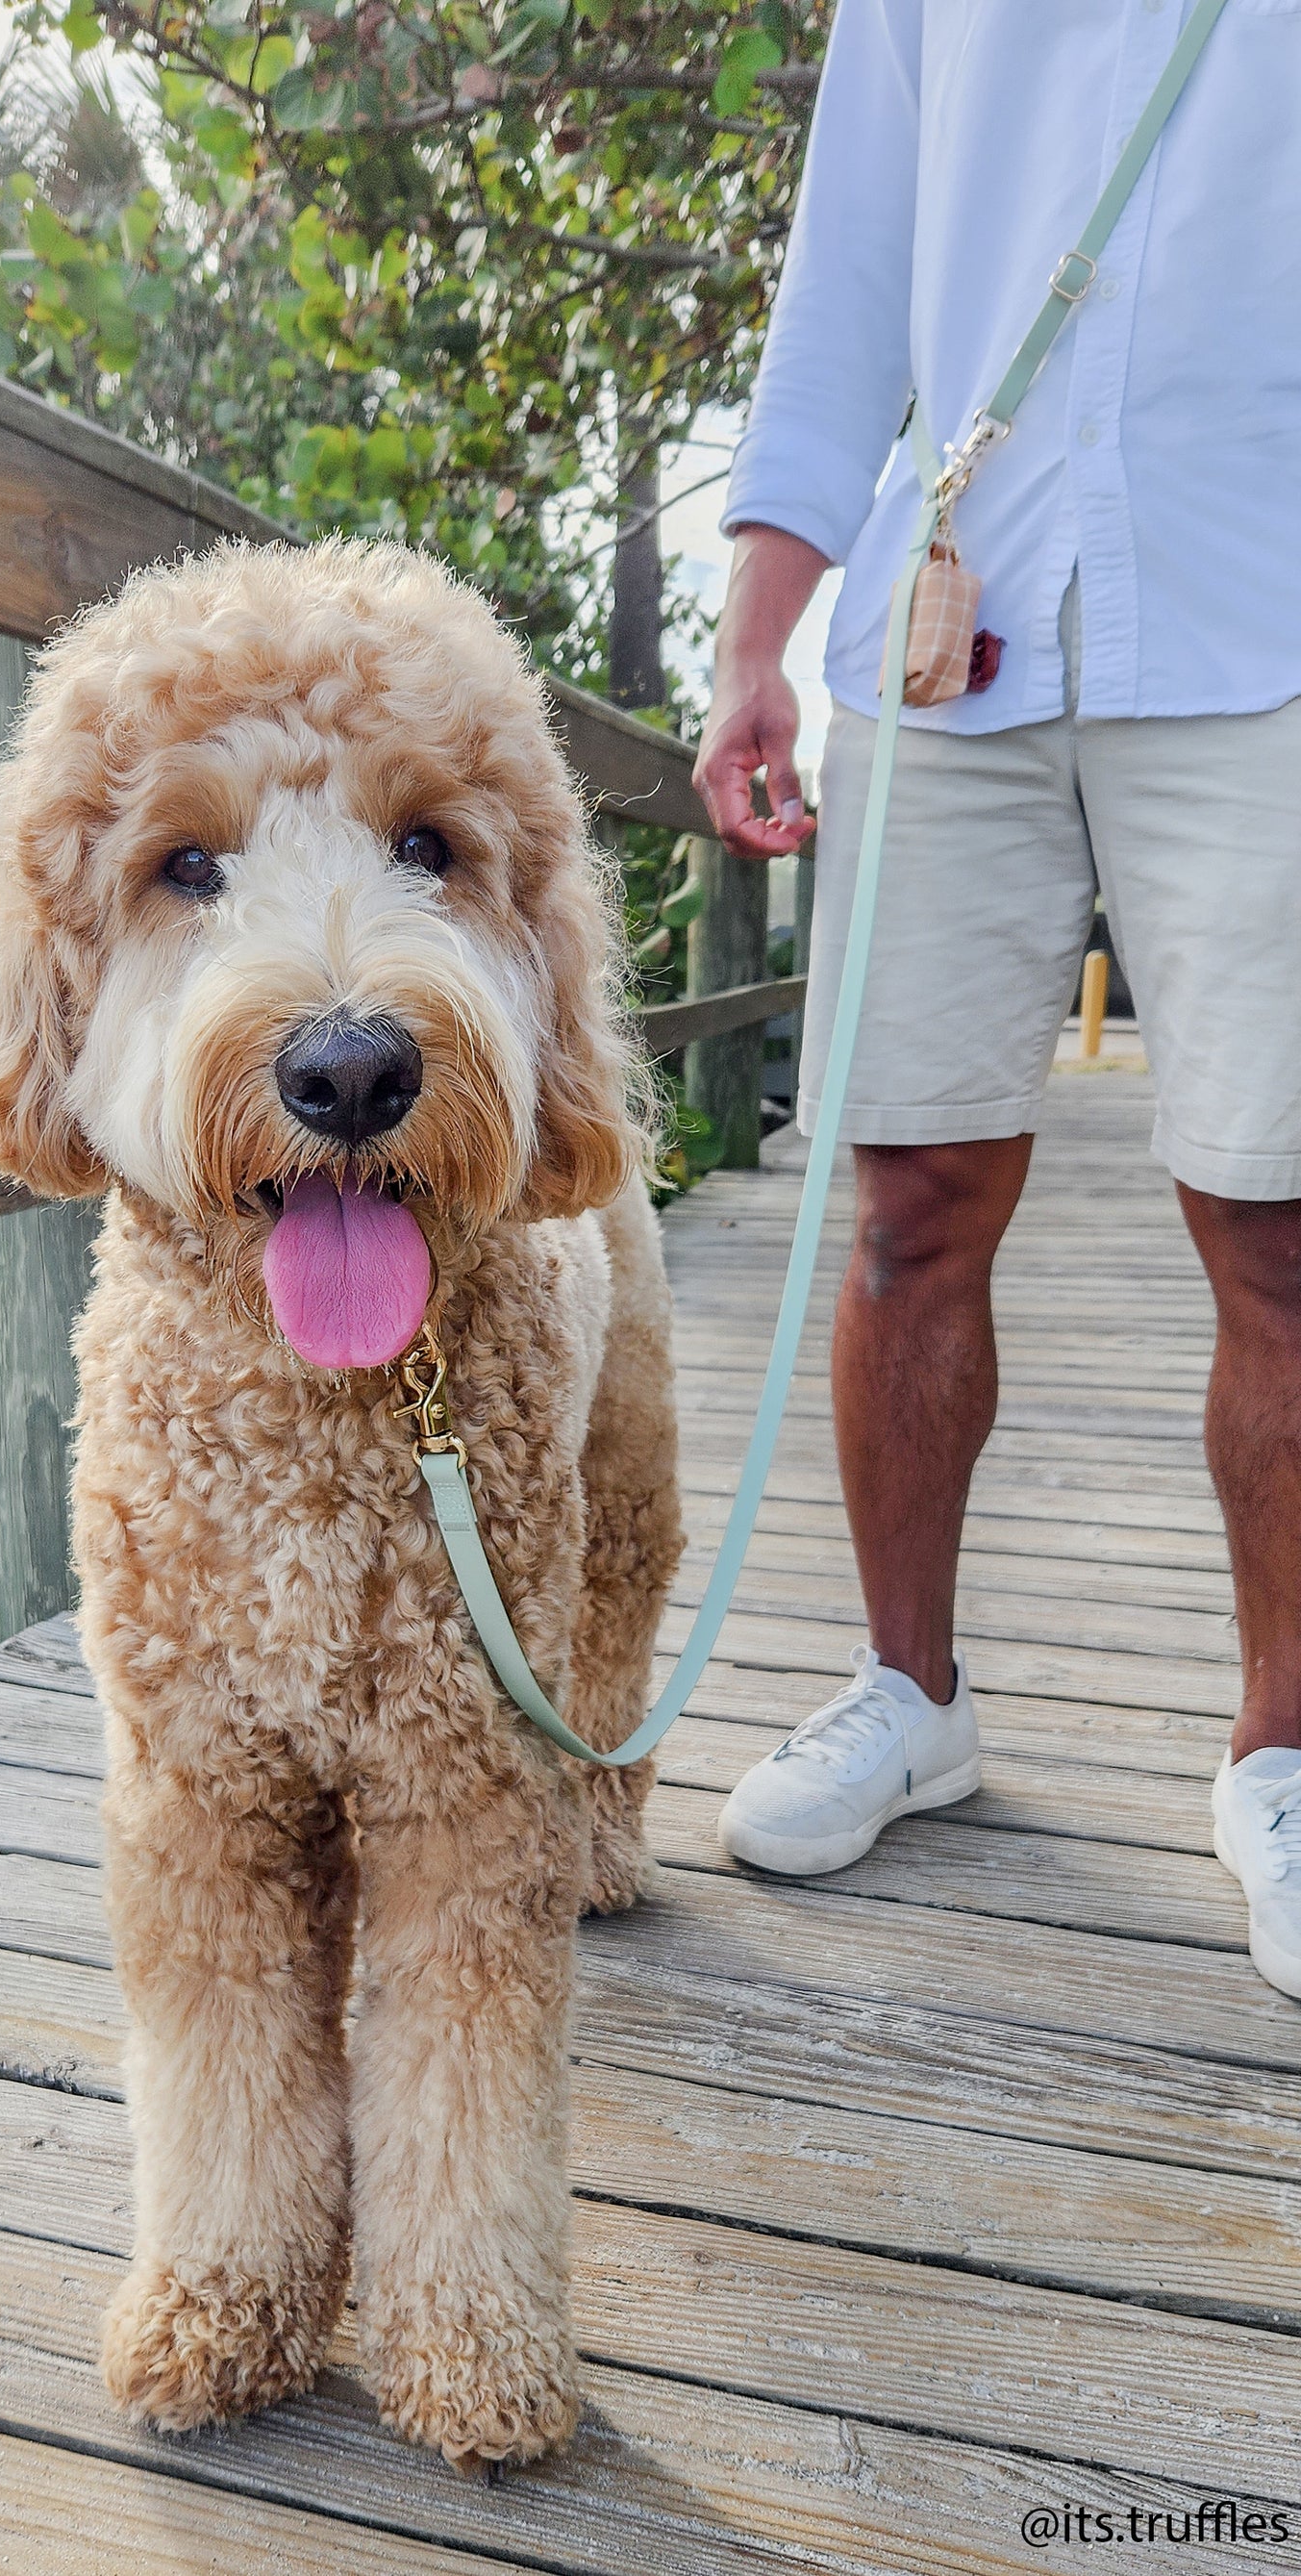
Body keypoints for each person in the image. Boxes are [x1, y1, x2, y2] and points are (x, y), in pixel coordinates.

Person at [693, 0, 1301, 2003]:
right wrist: (756, 648)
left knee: (1280, 1232)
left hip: (1261, 618)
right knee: (906, 1209)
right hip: (955, 626)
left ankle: (1280, 1749)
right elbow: (843, 289)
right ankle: (908, 1690)